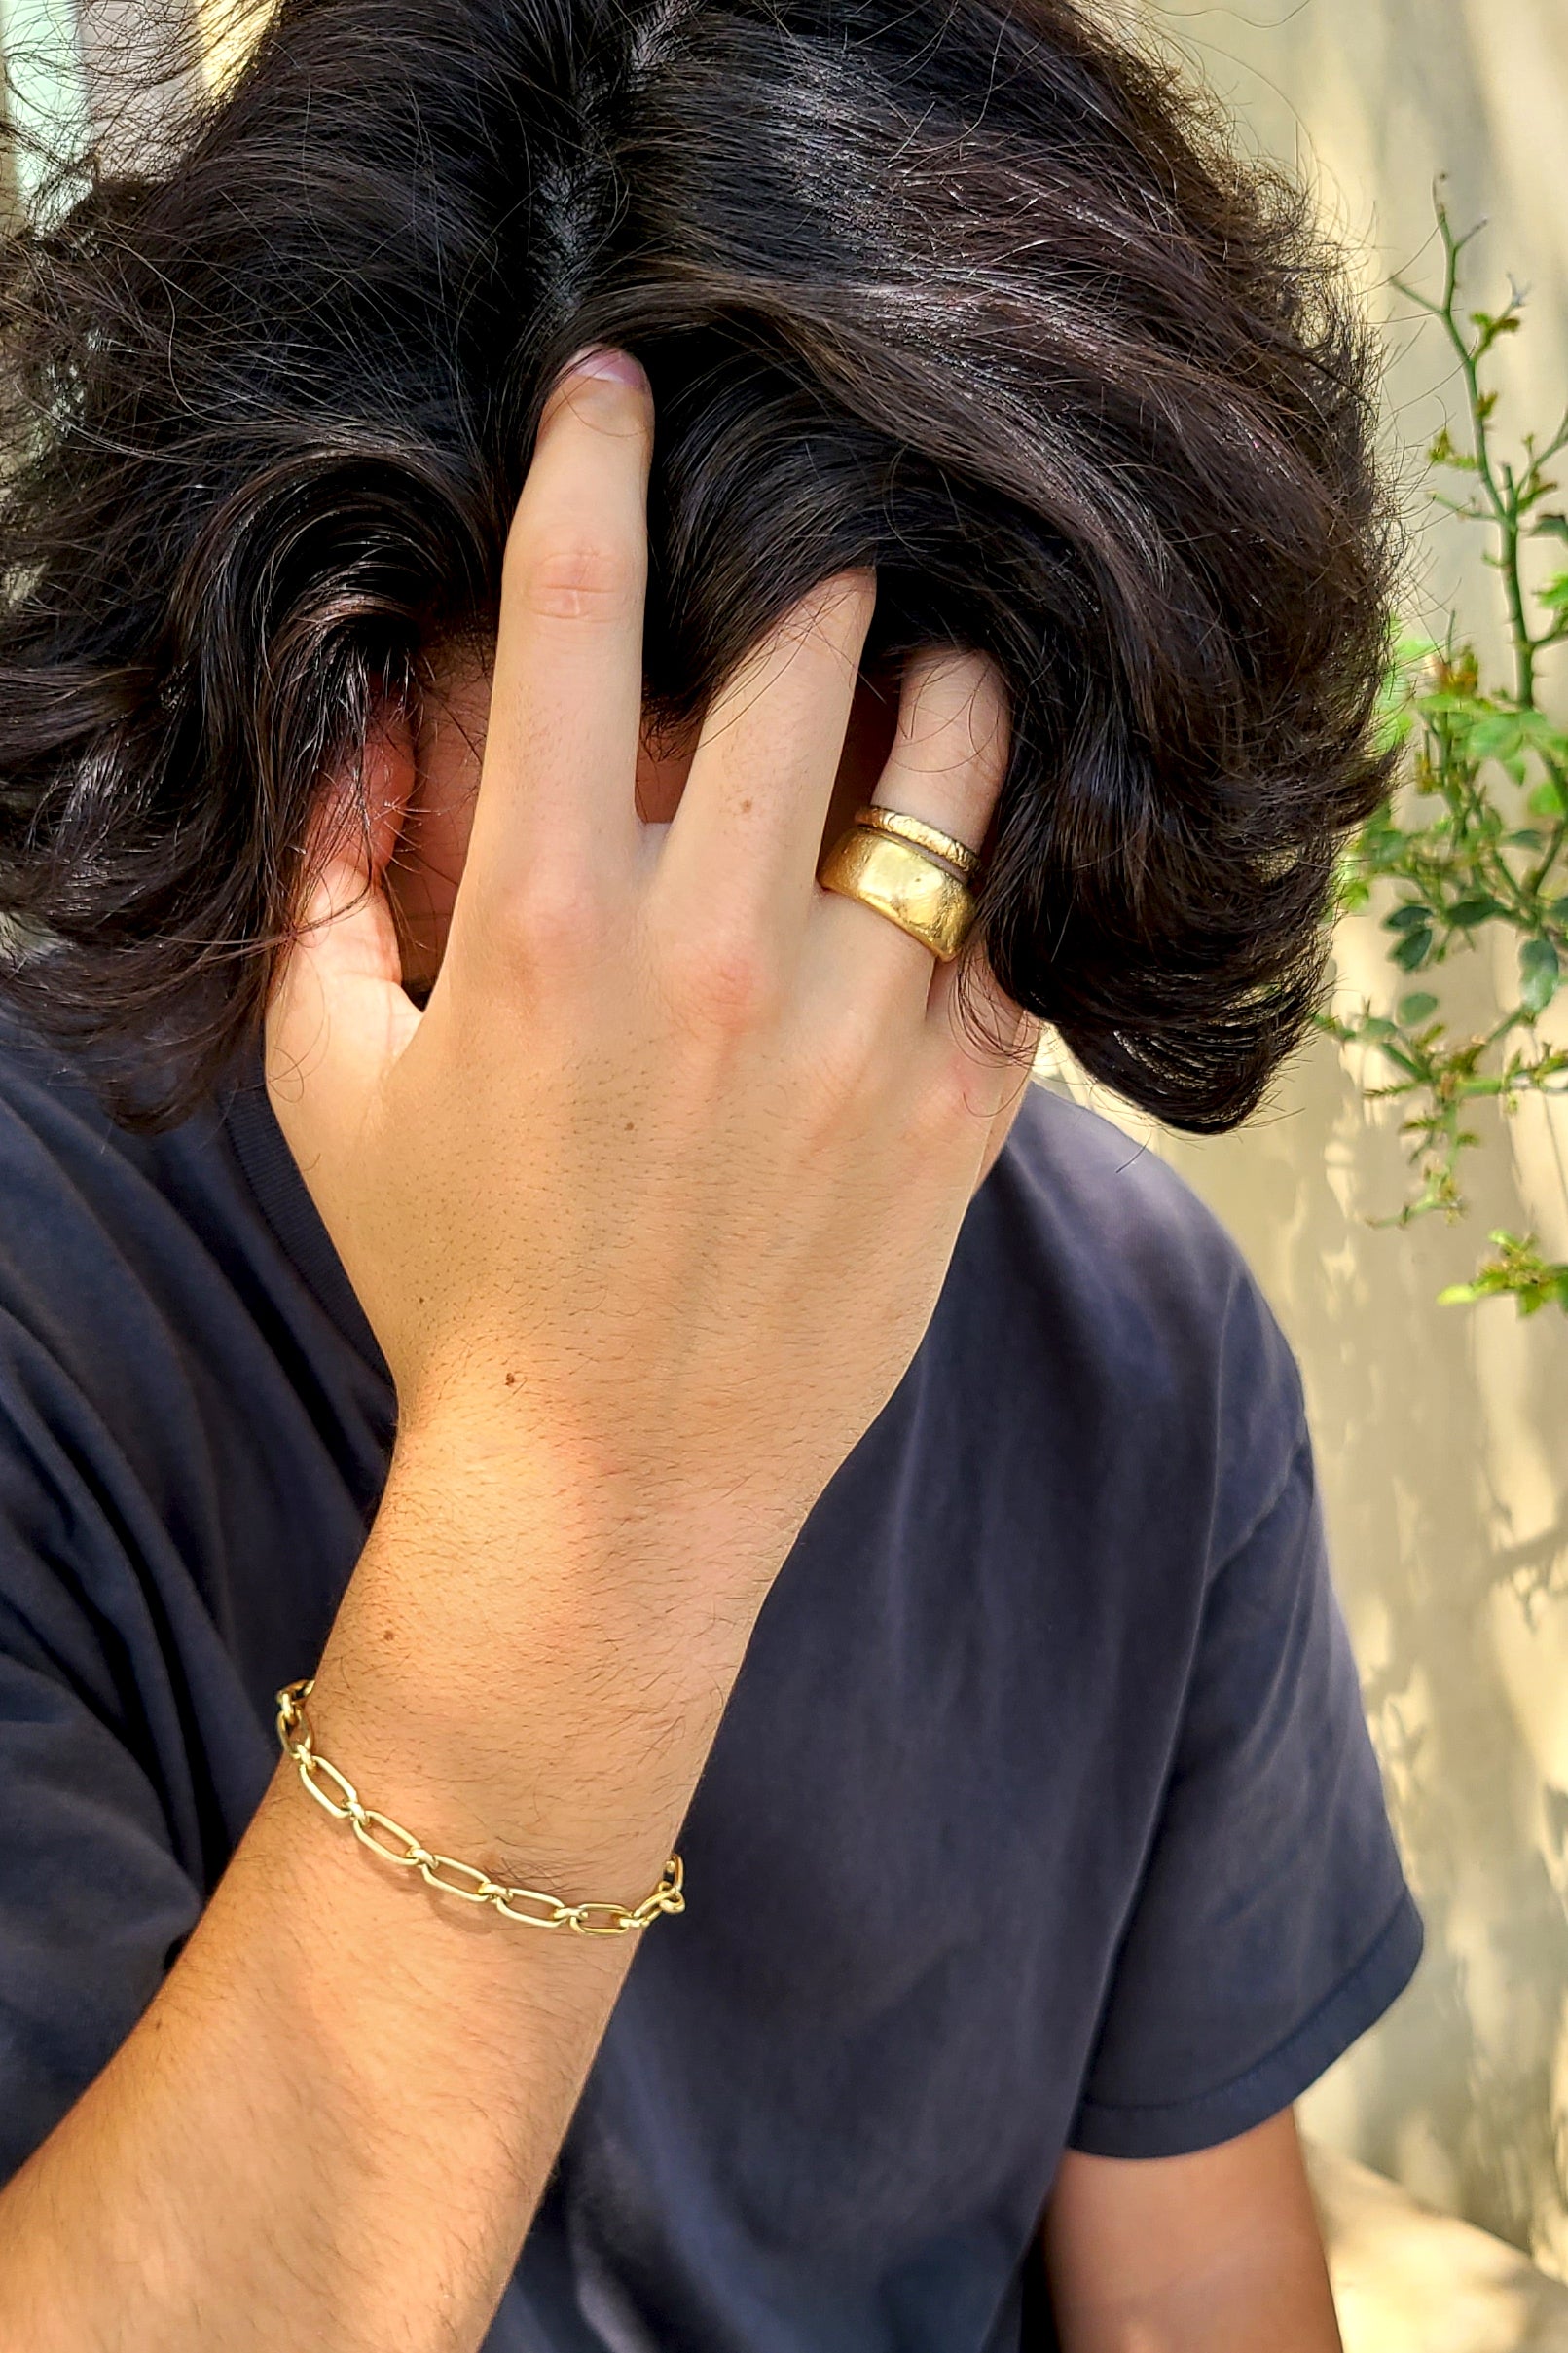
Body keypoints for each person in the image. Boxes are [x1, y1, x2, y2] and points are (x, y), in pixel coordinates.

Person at [0, 0, 1420, 2345]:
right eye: (575, 924)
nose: (728, 1051)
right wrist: (594, 1501)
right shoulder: (52, 1290)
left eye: (868, 902)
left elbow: (1189, 2287)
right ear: (302, 767)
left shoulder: (1140, 1356)